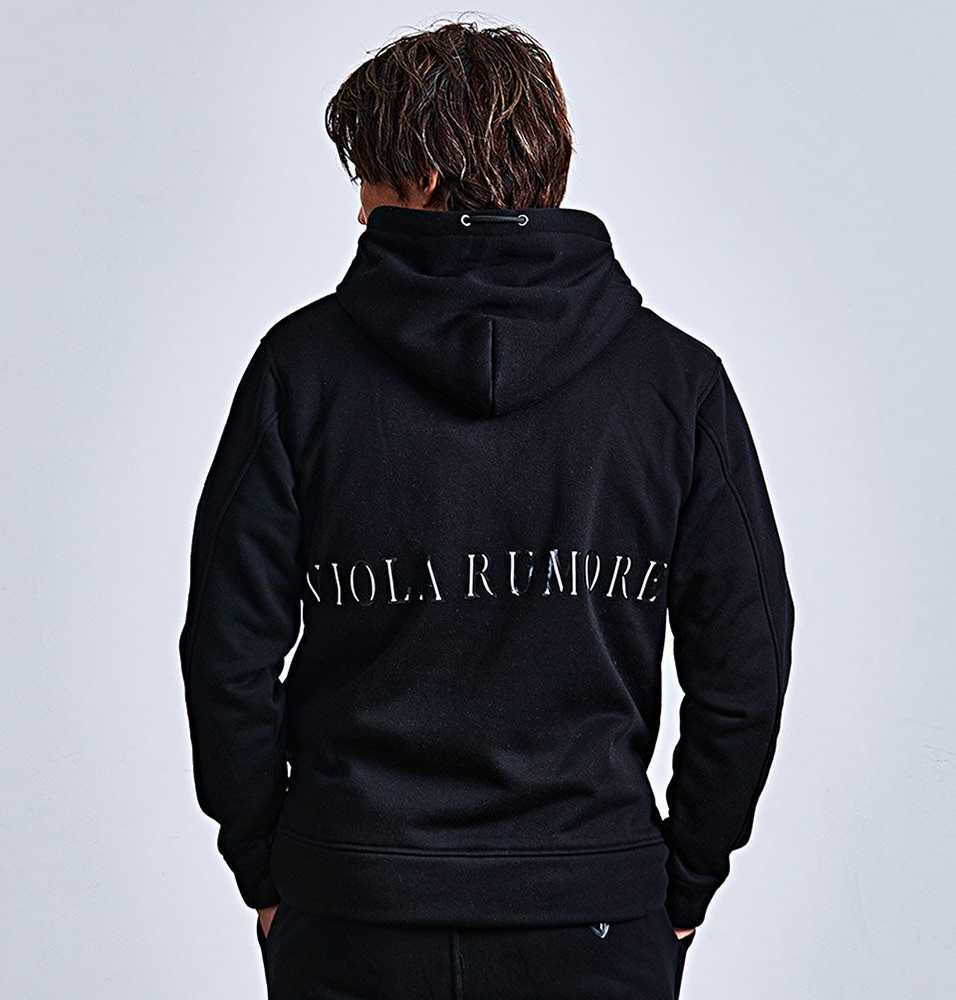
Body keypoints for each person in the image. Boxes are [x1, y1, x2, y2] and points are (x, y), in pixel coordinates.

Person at [178, 18, 794, 1000]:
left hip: (355, 909)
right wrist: (682, 879)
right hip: (592, 914)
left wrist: (267, 862)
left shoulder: (301, 371)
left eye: (369, 177)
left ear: (424, 178)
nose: (359, 207)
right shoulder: (675, 384)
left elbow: (226, 653)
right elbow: (747, 663)